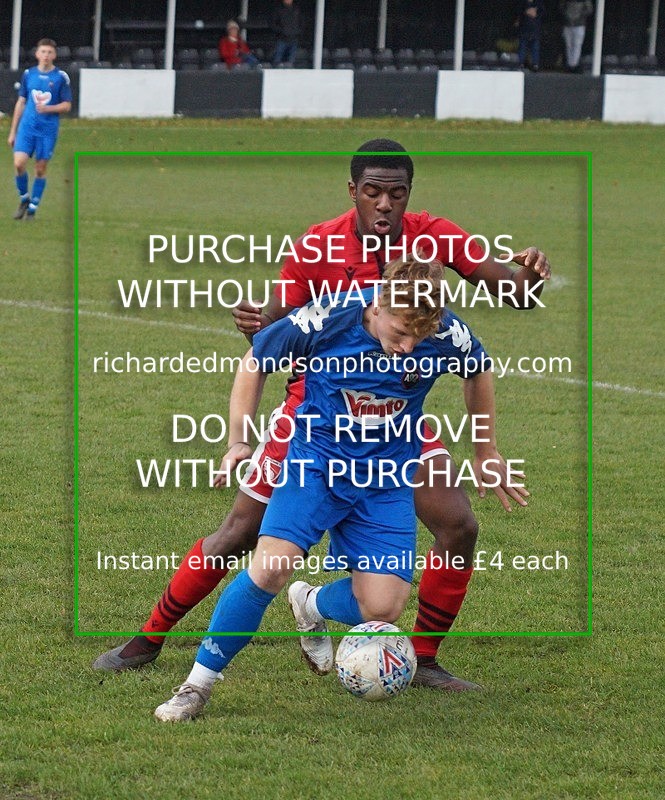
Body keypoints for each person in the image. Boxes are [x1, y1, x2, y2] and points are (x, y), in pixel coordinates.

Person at [93, 139, 550, 690]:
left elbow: (514, 294)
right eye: (374, 192)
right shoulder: (318, 245)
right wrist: (254, 323)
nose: (385, 204)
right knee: (241, 532)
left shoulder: (435, 235)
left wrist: (529, 276)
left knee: (458, 526)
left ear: (409, 196)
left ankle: (419, 657)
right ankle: (149, 637)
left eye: (396, 194)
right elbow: (272, 329)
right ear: (353, 192)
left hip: (398, 414)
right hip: (314, 412)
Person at [154, 257, 492, 721]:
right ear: (377, 305)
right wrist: (237, 439)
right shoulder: (327, 317)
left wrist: (485, 448)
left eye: (419, 337)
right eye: (399, 334)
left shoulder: (445, 331)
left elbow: (478, 369)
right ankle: (195, 687)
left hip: (385, 482)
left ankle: (310, 602)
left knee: (383, 608)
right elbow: (255, 362)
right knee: (270, 568)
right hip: (316, 466)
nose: (408, 348)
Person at [7, 38, 71, 221]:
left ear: (55, 55)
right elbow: (21, 102)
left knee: (40, 169)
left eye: (49, 52)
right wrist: (13, 131)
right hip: (27, 128)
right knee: (19, 163)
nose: (46, 56)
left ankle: (33, 208)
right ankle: (24, 199)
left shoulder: (60, 77)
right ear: (37, 54)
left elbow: (67, 105)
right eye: (43, 52)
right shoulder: (29, 74)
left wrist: (49, 109)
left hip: (47, 130)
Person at [560, 1, 593, 71]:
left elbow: (589, 9)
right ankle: (570, 64)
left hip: (579, 24)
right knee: (568, 45)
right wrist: (567, 15)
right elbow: (561, 7)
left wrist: (579, 15)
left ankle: (574, 64)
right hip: (568, 24)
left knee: (577, 45)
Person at [515, 0, 545, 71]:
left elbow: (542, 13)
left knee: (535, 47)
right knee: (522, 47)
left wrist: (535, 12)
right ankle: (520, 63)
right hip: (524, 29)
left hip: (535, 28)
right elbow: (518, 13)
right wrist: (526, 12)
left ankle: (535, 64)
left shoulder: (539, 3)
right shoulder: (522, 3)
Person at [272, 0, 300, 67]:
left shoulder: (296, 10)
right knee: (277, 60)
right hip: (282, 38)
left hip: (294, 38)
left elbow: (301, 22)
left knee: (291, 61)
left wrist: (297, 31)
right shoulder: (278, 10)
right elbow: (273, 23)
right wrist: (282, 31)